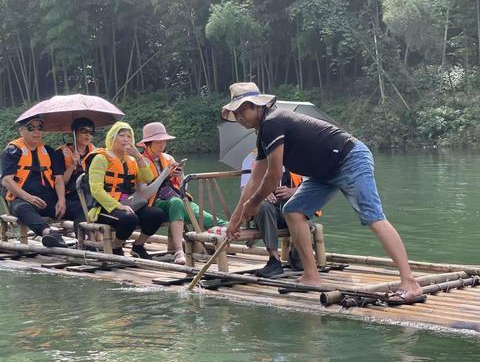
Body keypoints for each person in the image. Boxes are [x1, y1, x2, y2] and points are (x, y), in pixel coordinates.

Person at [223, 82, 422, 302]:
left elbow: (272, 175)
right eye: (236, 112)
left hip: (349, 159)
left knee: (373, 217)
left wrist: (253, 203)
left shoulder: (273, 122)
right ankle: (311, 276)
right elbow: (254, 180)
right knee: (293, 210)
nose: (240, 116)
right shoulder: (263, 136)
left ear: (259, 107)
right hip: (323, 173)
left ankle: (410, 283)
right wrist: (234, 221)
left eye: (244, 109)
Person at [137, 122, 226, 265]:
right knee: (177, 203)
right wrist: (164, 175)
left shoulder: (168, 158)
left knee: (205, 218)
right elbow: (143, 192)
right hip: (155, 203)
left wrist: (180, 174)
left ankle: (232, 231)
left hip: (175, 197)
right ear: (148, 143)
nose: (162, 145)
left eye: (164, 141)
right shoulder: (140, 162)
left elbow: (181, 183)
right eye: (158, 142)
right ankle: (179, 250)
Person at [85, 121, 167, 259]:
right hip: (104, 208)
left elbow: (147, 178)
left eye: (129, 136)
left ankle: (138, 246)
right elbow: (96, 189)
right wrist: (119, 206)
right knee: (129, 218)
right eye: (121, 135)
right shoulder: (101, 158)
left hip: (129, 204)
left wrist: (139, 157)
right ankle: (116, 247)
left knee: (157, 214)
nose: (126, 139)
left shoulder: (131, 160)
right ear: (112, 138)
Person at [0, 117, 84, 247]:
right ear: (21, 131)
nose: (36, 131)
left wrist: (61, 200)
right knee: (21, 208)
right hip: (23, 200)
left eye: (39, 128)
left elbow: (58, 178)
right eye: (31, 128)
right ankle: (49, 234)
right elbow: (6, 180)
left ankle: (83, 241)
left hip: (49, 200)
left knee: (80, 207)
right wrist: (29, 198)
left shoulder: (50, 152)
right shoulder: (12, 151)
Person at [241, 149, 304, 277]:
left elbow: (312, 186)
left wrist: (292, 191)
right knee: (264, 207)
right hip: (265, 212)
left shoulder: (297, 157)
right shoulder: (251, 159)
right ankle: (274, 260)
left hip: (289, 208)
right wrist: (261, 192)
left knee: (299, 209)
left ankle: (298, 255)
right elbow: (244, 191)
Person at [56, 117, 96, 205]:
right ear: (74, 132)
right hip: (72, 195)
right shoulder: (60, 153)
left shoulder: (95, 153)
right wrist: (72, 166)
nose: (88, 135)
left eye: (91, 132)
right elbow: (61, 183)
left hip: (92, 192)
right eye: (84, 131)